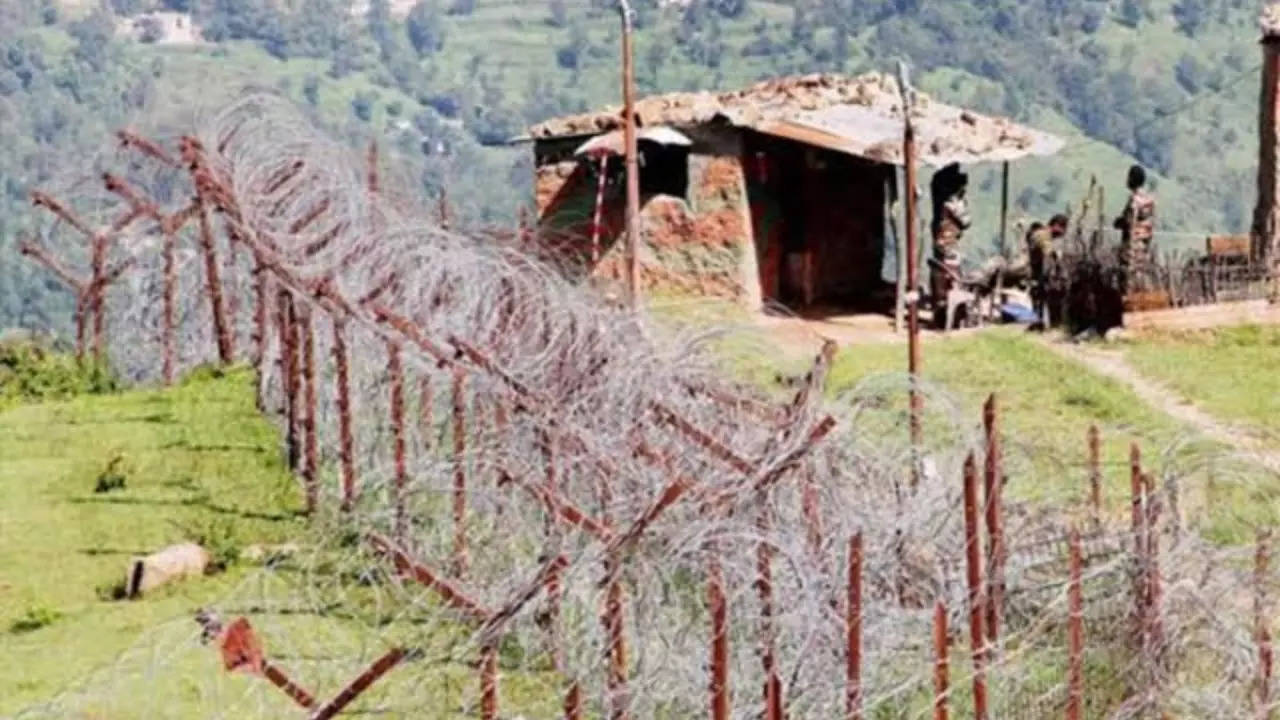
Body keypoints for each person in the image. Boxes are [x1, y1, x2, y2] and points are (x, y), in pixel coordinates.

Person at [929, 164, 971, 324]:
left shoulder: (941, 200)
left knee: (942, 277)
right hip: (948, 243)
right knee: (952, 279)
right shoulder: (951, 203)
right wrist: (963, 201)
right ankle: (949, 315)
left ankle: (943, 312)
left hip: (942, 241)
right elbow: (966, 221)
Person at [1114, 164, 1155, 294]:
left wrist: (1118, 222)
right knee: (1141, 273)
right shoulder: (1149, 200)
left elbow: (1129, 221)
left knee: (1128, 277)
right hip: (1144, 244)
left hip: (1132, 245)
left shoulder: (1134, 200)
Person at [1027, 214, 1068, 326]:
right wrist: (1057, 257)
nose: (1063, 233)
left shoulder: (1042, 234)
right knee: (1042, 295)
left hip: (1036, 271)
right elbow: (1048, 252)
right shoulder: (1043, 235)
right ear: (1056, 226)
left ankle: (1039, 322)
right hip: (1033, 270)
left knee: (1040, 296)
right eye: (1063, 228)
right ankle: (1038, 322)